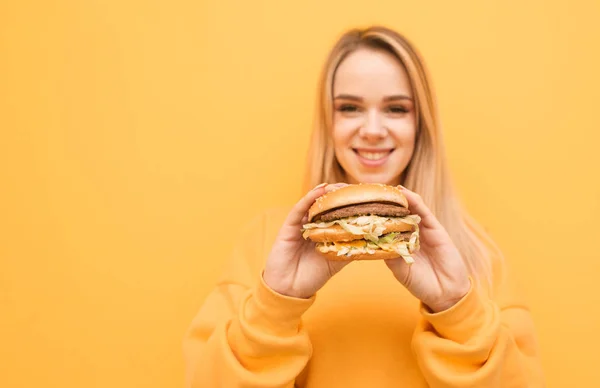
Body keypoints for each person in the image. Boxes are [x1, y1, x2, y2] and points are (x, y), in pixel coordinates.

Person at [183, 26, 545, 387]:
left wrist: (456, 308)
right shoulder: (266, 241)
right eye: (350, 107)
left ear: (421, 125)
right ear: (330, 122)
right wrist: (275, 306)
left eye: (396, 108)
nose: (372, 130)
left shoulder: (479, 252)